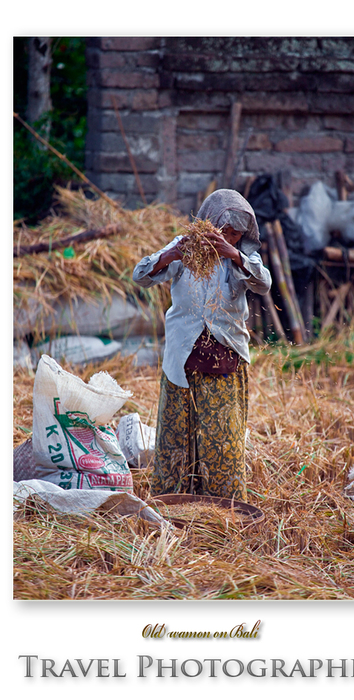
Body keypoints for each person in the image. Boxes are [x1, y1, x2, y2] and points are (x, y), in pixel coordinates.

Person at [132, 188, 272, 502]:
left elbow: (264, 284)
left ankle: (222, 504)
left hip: (223, 357)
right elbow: (140, 276)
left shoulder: (242, 257)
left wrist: (233, 254)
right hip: (182, 357)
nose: (230, 237)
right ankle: (175, 502)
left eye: (237, 234)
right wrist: (171, 255)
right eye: (224, 232)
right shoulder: (186, 249)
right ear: (209, 224)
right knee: (177, 438)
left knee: (220, 439)